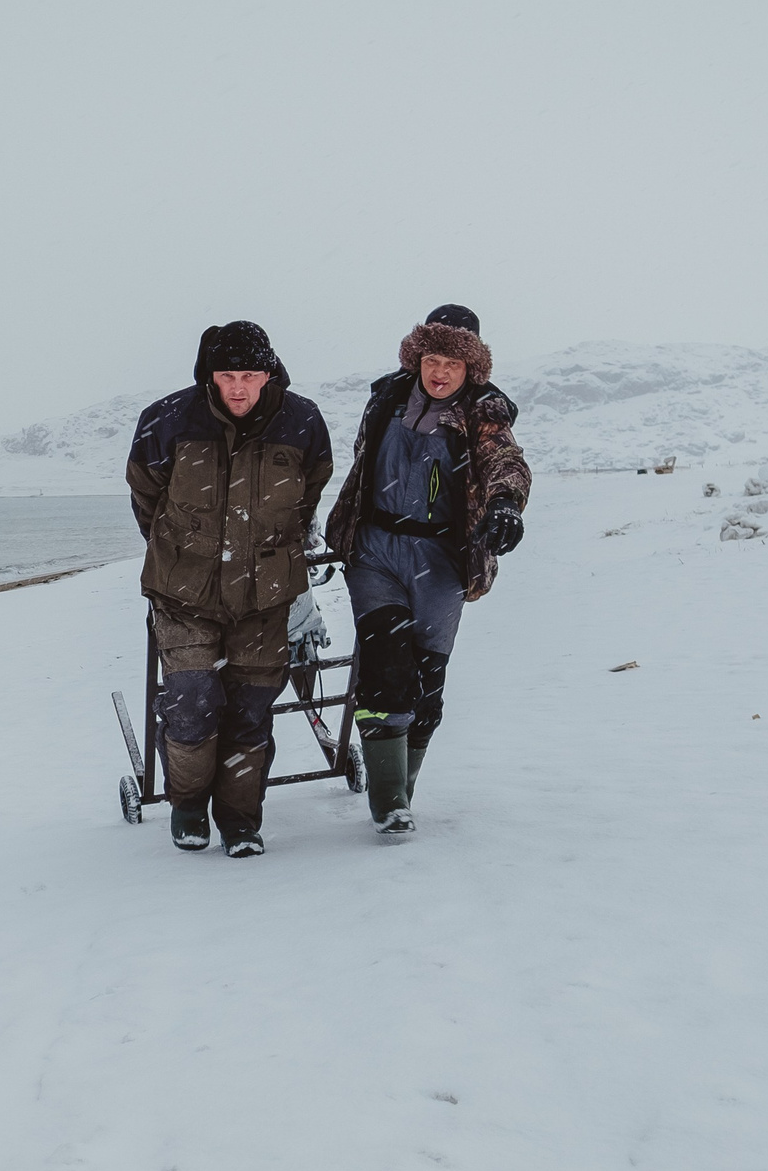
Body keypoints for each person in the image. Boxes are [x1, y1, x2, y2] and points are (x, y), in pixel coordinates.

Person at [125, 321, 333, 857]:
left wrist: (265, 551)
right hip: (184, 594)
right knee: (192, 703)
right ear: (209, 376)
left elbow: (308, 495)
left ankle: (240, 821)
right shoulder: (167, 420)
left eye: (250, 375)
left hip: (266, 598)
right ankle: (189, 806)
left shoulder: (303, 421)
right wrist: (187, 552)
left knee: (250, 709)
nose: (238, 387)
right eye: (226, 375)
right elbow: (146, 496)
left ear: (269, 373)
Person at [322, 303, 529, 837]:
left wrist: (506, 503)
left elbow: (506, 462)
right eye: (433, 359)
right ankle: (389, 802)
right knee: (386, 665)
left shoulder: (484, 414)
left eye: (453, 365)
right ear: (418, 358)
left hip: (440, 561)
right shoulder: (386, 398)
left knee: (426, 683)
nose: (440, 373)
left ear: (470, 370)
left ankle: (403, 788)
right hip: (375, 550)